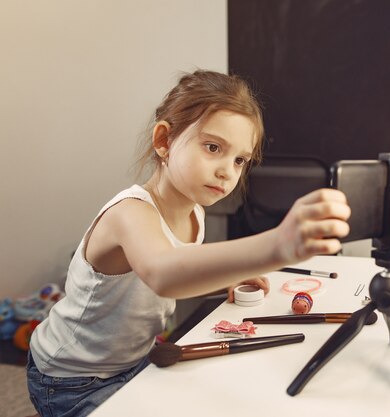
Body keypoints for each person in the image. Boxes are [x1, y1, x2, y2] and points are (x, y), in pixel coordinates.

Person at [26, 69, 350, 417]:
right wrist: (278, 245)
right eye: (213, 148)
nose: (227, 170)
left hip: (133, 361)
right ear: (164, 140)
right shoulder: (130, 213)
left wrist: (225, 279)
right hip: (70, 378)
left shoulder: (195, 213)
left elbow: (175, 281)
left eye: (239, 159)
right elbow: (163, 275)